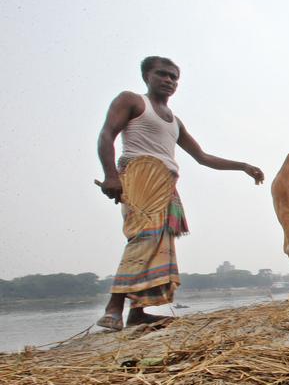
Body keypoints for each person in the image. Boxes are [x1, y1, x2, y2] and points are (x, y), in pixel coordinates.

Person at [95, 56, 264, 331]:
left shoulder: (175, 122)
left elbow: (203, 157)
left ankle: (138, 312)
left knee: (162, 244)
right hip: (140, 173)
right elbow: (106, 135)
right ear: (147, 76)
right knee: (144, 237)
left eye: (174, 77)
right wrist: (110, 175)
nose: (169, 81)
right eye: (162, 74)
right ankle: (113, 308)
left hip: (166, 182)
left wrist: (243, 166)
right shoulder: (133, 101)